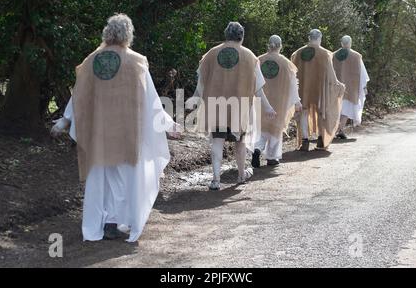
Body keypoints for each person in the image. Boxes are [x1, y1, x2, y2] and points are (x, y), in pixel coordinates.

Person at [51, 14, 179, 242]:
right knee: (124, 177)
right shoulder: (136, 61)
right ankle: (117, 220)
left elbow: (78, 95)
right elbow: (150, 99)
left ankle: (104, 222)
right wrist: (167, 124)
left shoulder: (92, 60)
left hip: (98, 133)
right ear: (128, 34)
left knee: (100, 178)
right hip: (126, 131)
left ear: (106, 33)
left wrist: (66, 119)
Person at [190, 22, 276, 191]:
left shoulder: (210, 54)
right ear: (241, 36)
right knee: (240, 142)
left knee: (217, 141)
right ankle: (241, 175)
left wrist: (194, 99)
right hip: (239, 105)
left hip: (216, 104)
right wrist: (267, 107)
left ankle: (215, 180)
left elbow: (201, 82)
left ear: (225, 35)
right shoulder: (250, 56)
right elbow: (258, 87)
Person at [291, 29, 345, 151]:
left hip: (303, 88)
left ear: (309, 38)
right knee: (322, 112)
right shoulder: (325, 53)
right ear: (319, 38)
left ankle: (305, 140)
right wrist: (337, 84)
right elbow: (331, 74)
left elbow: (292, 73)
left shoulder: (297, 53)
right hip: (320, 89)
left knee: (304, 112)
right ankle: (321, 139)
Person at [252, 35, 302, 168]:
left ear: (268, 45)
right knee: (275, 129)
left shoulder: (258, 60)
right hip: (280, 101)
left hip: (261, 100)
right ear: (280, 46)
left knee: (261, 127)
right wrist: (296, 101)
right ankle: (272, 157)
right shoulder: (286, 63)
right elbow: (293, 84)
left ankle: (257, 148)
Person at [333, 35, 370, 139]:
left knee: (337, 110)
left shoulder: (333, 55)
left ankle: (337, 130)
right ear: (350, 43)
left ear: (341, 43)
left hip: (336, 89)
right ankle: (339, 130)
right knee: (345, 110)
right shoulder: (356, 56)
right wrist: (364, 87)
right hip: (350, 89)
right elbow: (362, 74)